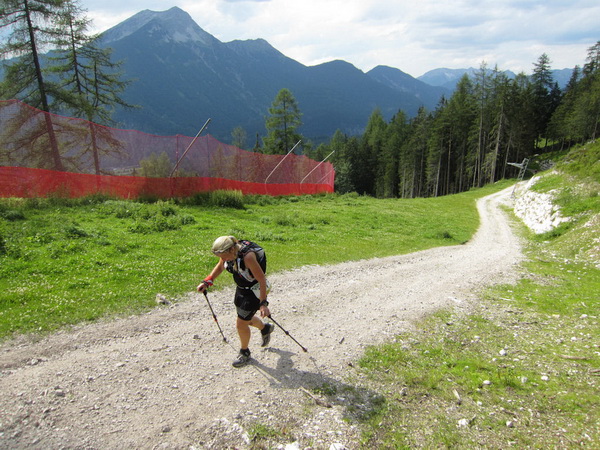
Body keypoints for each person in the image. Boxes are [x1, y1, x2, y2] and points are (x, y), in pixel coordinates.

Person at [197, 236, 274, 368]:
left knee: (241, 324)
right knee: (246, 319)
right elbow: (221, 266)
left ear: (232, 250)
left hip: (253, 292)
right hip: (241, 289)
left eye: (224, 256)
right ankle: (265, 328)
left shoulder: (248, 257)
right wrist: (208, 280)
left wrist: (263, 304)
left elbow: (261, 279)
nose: (223, 259)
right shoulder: (229, 253)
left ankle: (245, 352)